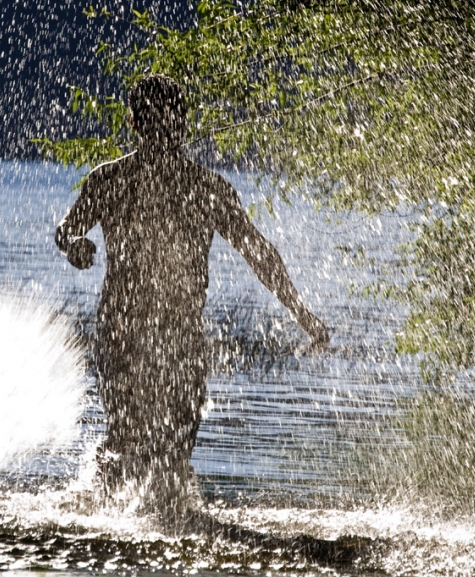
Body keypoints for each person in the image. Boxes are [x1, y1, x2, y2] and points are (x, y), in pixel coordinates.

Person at [55, 74, 328, 516]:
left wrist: (302, 314)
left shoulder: (202, 188)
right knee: (133, 436)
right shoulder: (114, 180)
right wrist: (75, 246)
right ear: (150, 124)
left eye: (165, 121)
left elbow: (259, 253)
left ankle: (142, 520)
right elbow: (66, 230)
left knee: (170, 443)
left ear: (161, 124)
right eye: (158, 121)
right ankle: (105, 515)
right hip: (125, 330)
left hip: (174, 333)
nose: (162, 129)